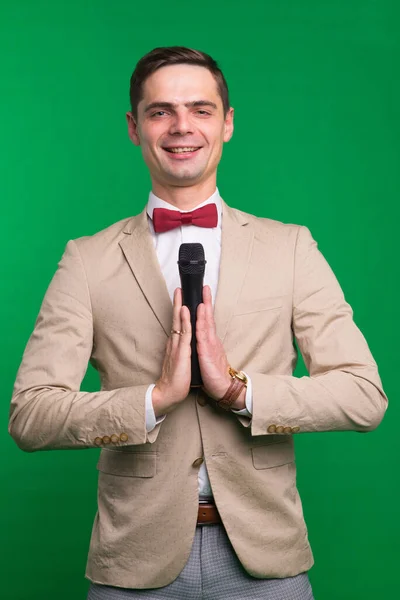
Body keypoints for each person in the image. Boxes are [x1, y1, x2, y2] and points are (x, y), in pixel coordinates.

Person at [9, 46, 387, 600]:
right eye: (161, 111)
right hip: (133, 561)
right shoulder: (85, 260)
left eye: (201, 109)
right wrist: (152, 400)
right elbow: (30, 413)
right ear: (134, 127)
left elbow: (364, 395)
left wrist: (239, 391)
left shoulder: (291, 247)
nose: (181, 126)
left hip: (267, 561)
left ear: (228, 123)